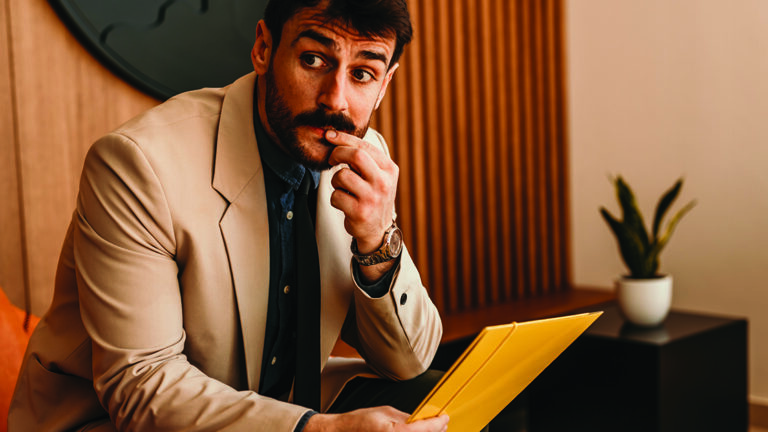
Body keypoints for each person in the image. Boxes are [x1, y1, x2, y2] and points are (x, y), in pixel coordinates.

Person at [8, 0, 449, 430]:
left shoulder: (364, 158)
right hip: (111, 419)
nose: (336, 99)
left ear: (385, 84)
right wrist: (317, 430)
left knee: (438, 407)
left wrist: (378, 240)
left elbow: (408, 361)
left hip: (277, 402)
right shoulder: (137, 165)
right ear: (263, 49)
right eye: (313, 59)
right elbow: (140, 388)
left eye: (362, 74)